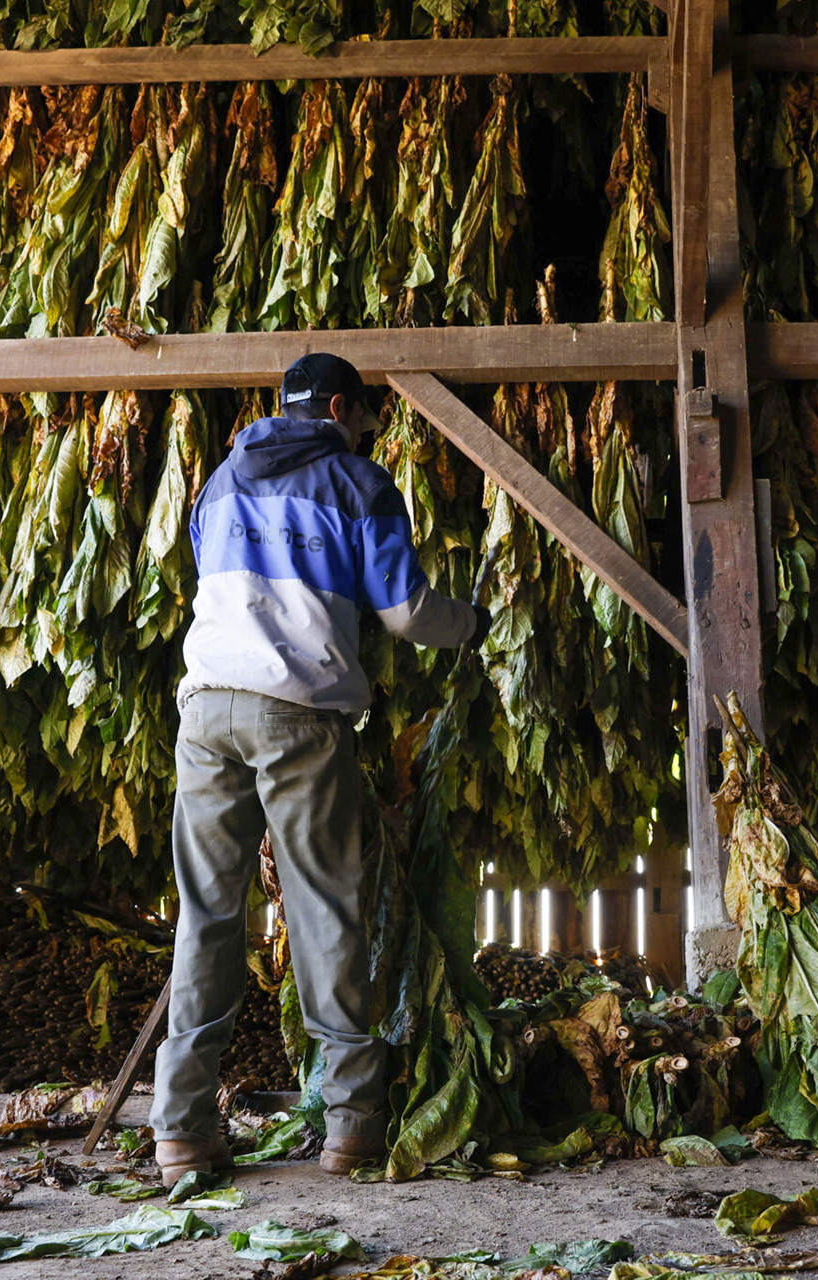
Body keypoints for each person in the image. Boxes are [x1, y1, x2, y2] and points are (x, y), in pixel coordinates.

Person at [151, 353, 489, 1186]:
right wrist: (478, 622)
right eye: (367, 420)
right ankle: (352, 1130)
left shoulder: (220, 482)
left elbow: (222, 589)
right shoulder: (358, 483)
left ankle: (182, 1133)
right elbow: (408, 615)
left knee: (206, 918)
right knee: (325, 915)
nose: (369, 434)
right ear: (340, 408)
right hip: (297, 715)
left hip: (204, 714)